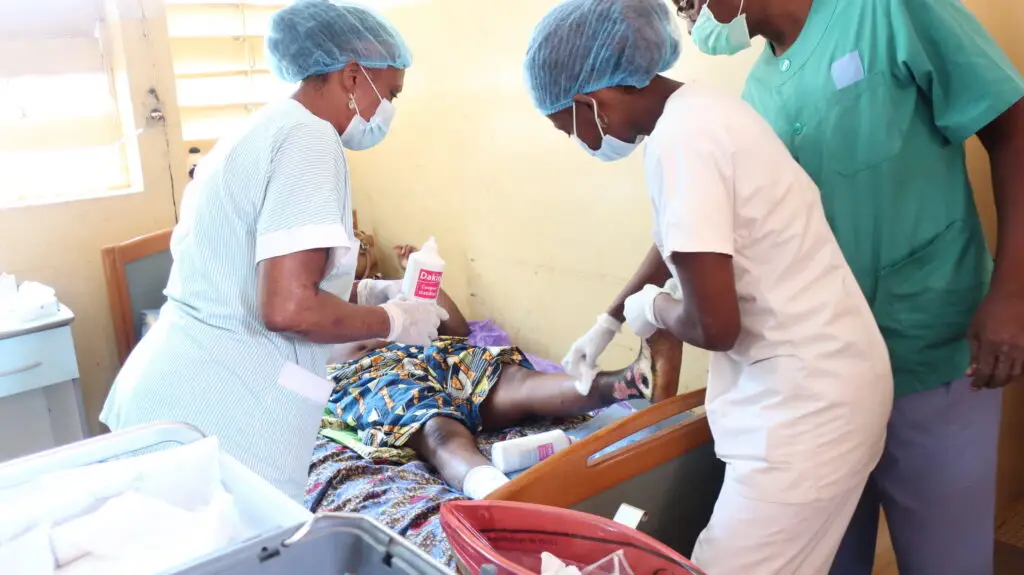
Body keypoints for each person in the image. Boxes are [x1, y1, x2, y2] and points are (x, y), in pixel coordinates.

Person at [524, 0, 894, 572]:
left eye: (567, 127)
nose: (582, 141)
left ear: (587, 103)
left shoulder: (683, 141)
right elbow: (679, 240)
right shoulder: (698, 109)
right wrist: (611, 319)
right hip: (826, 381)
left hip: (806, 408)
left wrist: (656, 309)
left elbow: (716, 326)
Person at [674, 0, 1024, 572]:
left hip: (929, 351)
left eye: (687, 1)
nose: (686, 17)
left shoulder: (888, 12)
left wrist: (1013, 292)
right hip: (821, 390)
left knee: (948, 561)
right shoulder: (758, 97)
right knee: (832, 561)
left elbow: (1013, 128)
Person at [100, 1, 447, 500]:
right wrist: (395, 321)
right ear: (352, 77)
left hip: (178, 398)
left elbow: (254, 270)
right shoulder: (309, 139)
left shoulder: (261, 128)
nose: (387, 110)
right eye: (389, 93)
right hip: (215, 416)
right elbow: (288, 306)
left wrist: (369, 292)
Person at [326, 244, 684, 500]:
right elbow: (292, 383)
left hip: (436, 351)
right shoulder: (295, 314)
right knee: (433, 425)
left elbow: (458, 328)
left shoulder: (366, 290)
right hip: (372, 372)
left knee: (514, 381)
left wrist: (420, 282)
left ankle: (630, 382)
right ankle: (495, 491)